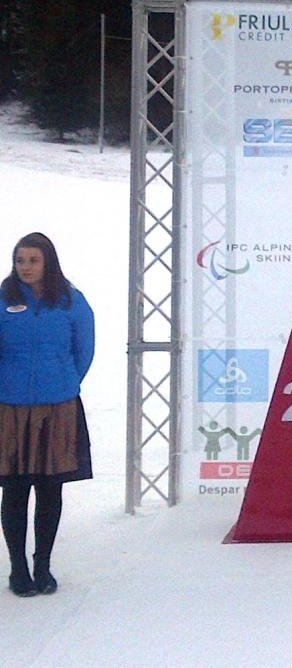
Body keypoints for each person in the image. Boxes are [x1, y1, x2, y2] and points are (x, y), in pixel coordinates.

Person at [0, 233, 94, 597]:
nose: (26, 267)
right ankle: (18, 570)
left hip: (58, 407)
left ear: (48, 262)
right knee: (15, 490)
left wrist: (63, 380)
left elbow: (83, 350)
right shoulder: (3, 299)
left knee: (50, 489)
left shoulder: (72, 301)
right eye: (20, 260)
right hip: (10, 408)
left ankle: (43, 566)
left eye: (33, 260)